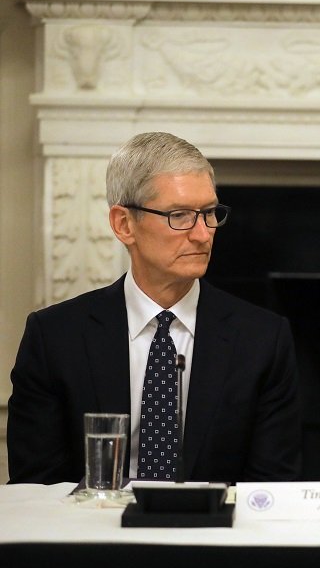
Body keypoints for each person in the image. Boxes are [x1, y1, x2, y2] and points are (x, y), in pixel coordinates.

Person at [7, 132, 301, 484]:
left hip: (215, 532)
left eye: (209, 213)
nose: (203, 234)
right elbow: (36, 487)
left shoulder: (262, 339)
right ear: (123, 224)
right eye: (180, 216)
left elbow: (271, 489)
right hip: (92, 532)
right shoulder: (55, 336)